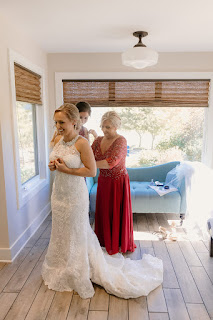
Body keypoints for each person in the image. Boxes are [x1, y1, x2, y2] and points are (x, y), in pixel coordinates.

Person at [42, 103, 163, 299]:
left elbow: (91, 170)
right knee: (61, 229)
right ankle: (61, 264)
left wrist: (67, 169)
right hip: (59, 193)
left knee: (77, 229)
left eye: (61, 122)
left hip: (76, 193)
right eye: (56, 122)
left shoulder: (82, 142)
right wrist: (53, 166)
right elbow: (59, 159)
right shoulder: (58, 139)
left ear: (74, 122)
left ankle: (79, 267)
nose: (58, 126)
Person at [91, 111, 136, 255]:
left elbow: (111, 162)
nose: (104, 130)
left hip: (118, 182)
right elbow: (87, 155)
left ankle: (117, 243)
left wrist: (90, 164)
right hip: (103, 181)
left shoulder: (121, 141)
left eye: (108, 127)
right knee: (104, 211)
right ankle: (104, 241)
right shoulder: (98, 140)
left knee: (116, 212)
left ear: (116, 127)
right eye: (102, 126)